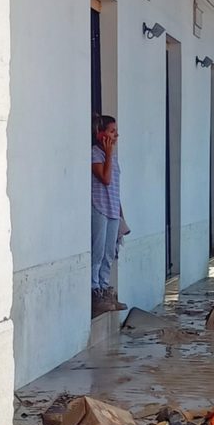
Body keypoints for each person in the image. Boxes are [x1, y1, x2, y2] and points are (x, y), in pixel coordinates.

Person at [91, 115, 127, 317]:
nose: (116, 135)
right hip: (100, 207)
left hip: (113, 209)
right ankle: (94, 291)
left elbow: (115, 185)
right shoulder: (96, 154)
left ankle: (104, 290)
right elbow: (104, 179)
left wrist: (121, 212)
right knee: (97, 251)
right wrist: (108, 152)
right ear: (101, 134)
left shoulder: (112, 157)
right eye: (112, 131)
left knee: (109, 253)